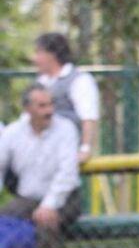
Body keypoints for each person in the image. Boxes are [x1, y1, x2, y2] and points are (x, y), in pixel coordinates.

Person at [0, 84, 81, 248]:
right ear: (27, 109)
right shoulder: (12, 133)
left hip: (66, 198)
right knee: (5, 221)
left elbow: (67, 173)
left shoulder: (66, 129)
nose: (49, 110)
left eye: (51, 104)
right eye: (42, 106)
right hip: (27, 199)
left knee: (46, 222)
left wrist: (49, 204)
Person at [32, 32, 99, 163]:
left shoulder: (80, 80)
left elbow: (88, 118)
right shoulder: (40, 83)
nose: (35, 58)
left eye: (38, 52)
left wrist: (85, 149)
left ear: (52, 55)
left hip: (67, 154)